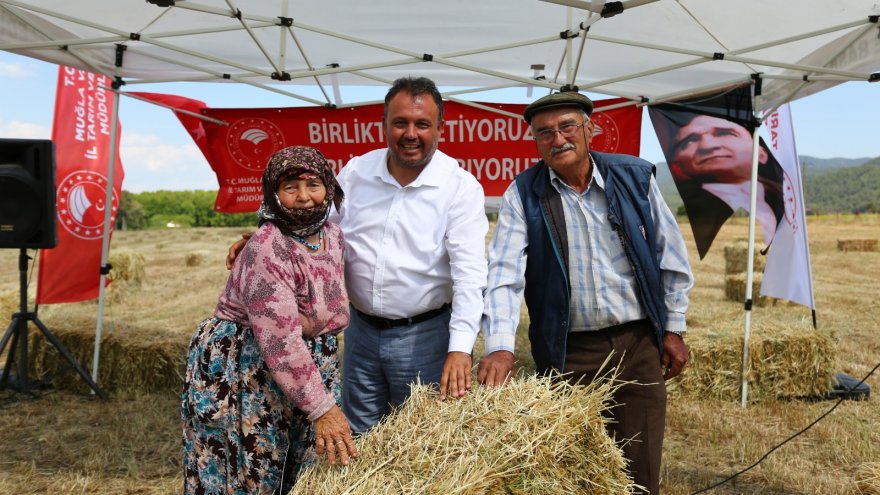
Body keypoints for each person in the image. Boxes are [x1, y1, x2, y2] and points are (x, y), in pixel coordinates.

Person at [228, 77, 488, 435]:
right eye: (400, 123)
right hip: (361, 333)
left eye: (422, 124)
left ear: (440, 129)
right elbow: (314, 224)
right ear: (384, 126)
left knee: (424, 440)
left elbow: (470, 275)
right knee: (359, 436)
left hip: (425, 337)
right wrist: (267, 237)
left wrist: (460, 349)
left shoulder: (460, 188)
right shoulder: (357, 172)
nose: (410, 133)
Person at [478, 91, 694, 495]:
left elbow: (672, 257)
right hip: (568, 353)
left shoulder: (635, 177)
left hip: (637, 346)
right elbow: (504, 275)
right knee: (574, 472)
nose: (558, 139)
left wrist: (674, 328)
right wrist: (501, 347)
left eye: (567, 127)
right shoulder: (523, 194)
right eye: (545, 133)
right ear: (536, 142)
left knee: (640, 470)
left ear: (589, 130)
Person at [183, 146, 358, 494]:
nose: (304, 198)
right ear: (273, 194)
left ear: (329, 188)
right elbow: (280, 341)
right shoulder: (268, 246)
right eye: (290, 187)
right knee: (252, 472)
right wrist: (322, 408)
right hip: (247, 365)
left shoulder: (332, 235)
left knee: (306, 467)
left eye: (313, 185)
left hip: (306, 362)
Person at [650, 110, 785, 258]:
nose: (707, 145)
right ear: (678, 166)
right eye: (689, 141)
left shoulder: (783, 200)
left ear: (761, 153)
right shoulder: (705, 209)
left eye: (724, 134)